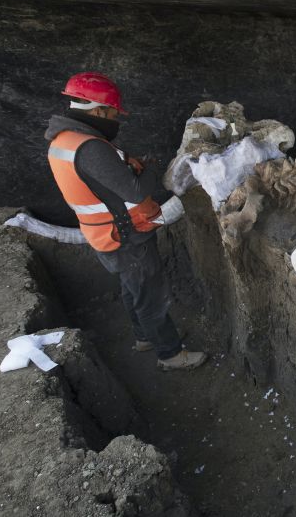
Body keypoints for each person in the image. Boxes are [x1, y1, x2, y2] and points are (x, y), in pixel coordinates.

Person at [45, 72, 207, 371]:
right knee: (151, 296)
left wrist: (123, 162)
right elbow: (135, 190)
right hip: (126, 235)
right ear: (98, 111)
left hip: (105, 235)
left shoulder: (65, 140)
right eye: (113, 113)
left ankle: (145, 336)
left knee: (132, 287)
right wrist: (149, 168)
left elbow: (100, 177)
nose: (115, 119)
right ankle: (170, 354)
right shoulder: (90, 147)